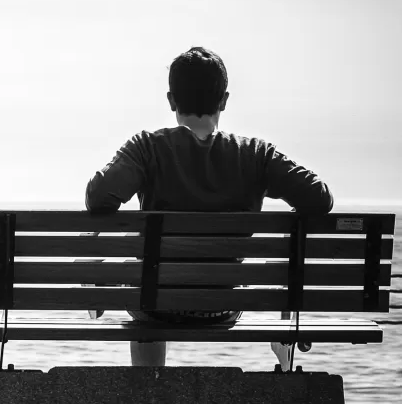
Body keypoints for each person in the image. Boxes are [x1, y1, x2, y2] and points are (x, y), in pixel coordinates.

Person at [85, 46, 333, 368]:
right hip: (223, 305)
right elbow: (319, 199)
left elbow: (98, 197)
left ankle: (148, 384)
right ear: (224, 101)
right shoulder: (256, 154)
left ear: (172, 100)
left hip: (155, 304)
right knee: (149, 284)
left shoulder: (147, 148)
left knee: (145, 287)